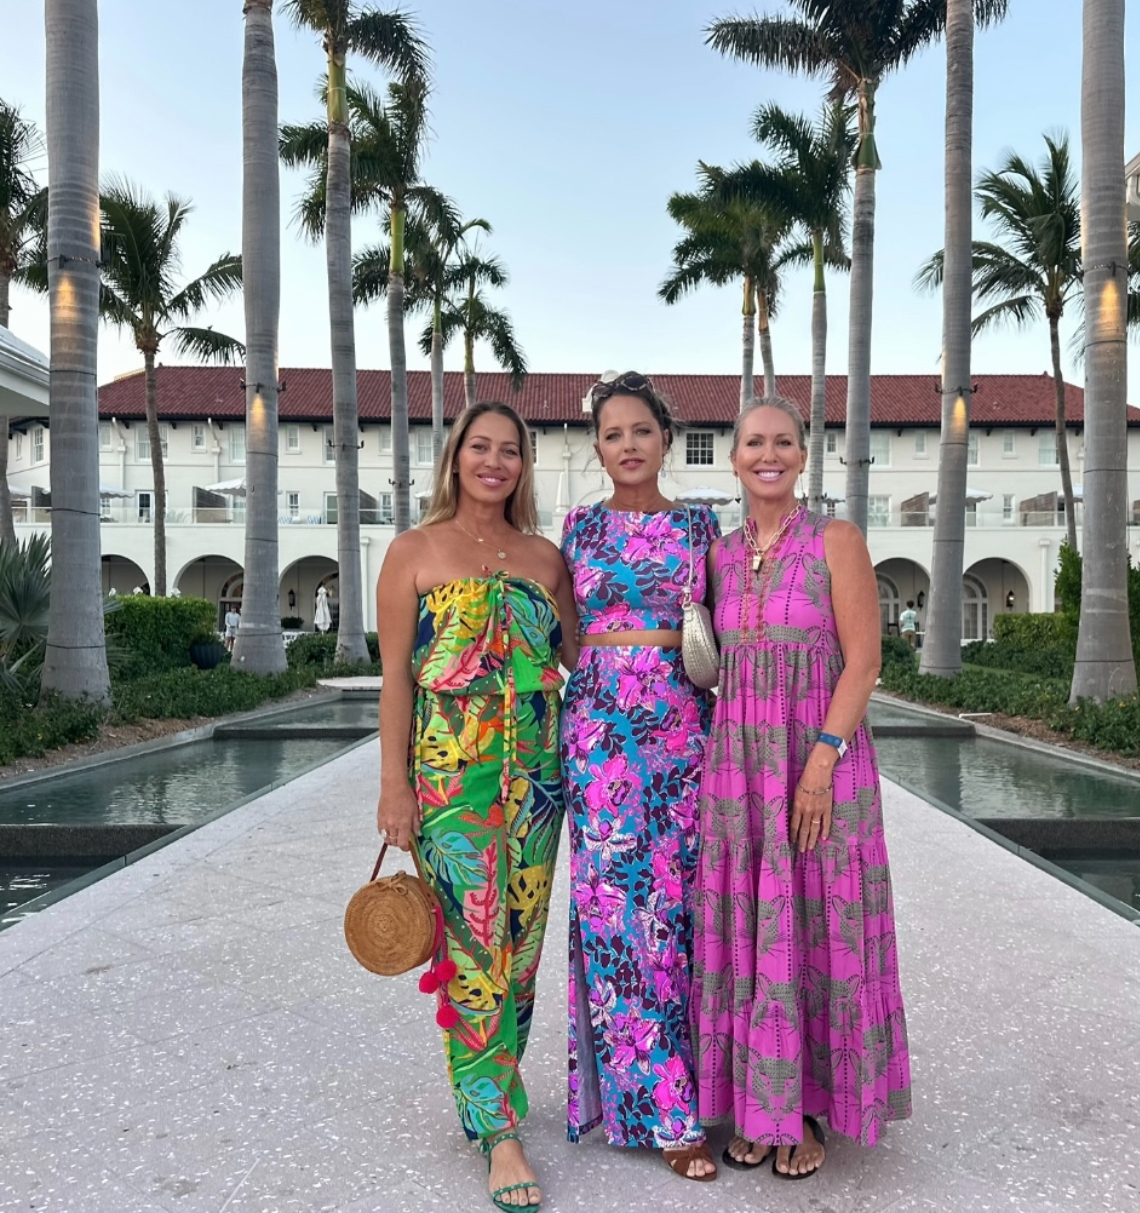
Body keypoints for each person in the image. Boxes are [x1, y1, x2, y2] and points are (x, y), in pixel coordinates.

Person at [694, 397, 911, 1180]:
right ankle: (760, 1105)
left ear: (802, 455)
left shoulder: (836, 540)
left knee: (819, 928)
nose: (769, 454)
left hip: (822, 761)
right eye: (754, 442)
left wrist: (820, 762)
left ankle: (808, 1107)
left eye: (783, 441)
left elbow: (864, 660)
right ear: (734, 458)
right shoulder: (716, 556)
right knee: (751, 929)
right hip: (739, 771)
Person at [375, 401, 578, 1212]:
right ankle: (498, 1131)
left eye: (510, 451)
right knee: (471, 948)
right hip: (450, 778)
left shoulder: (545, 558)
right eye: (480, 448)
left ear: (523, 465)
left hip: (539, 777)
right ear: (456, 457)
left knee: (520, 952)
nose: (494, 462)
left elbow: (586, 655)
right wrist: (394, 785)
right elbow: (396, 679)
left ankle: (496, 1087)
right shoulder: (413, 551)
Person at [560, 371, 720, 1181]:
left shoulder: (701, 525)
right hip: (598, 737)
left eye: (642, 431)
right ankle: (664, 1109)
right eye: (613, 433)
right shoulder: (578, 527)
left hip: (682, 730)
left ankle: (704, 1083)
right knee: (618, 914)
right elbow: (562, 632)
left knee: (681, 909)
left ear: (666, 438)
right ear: (598, 447)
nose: (628, 444)